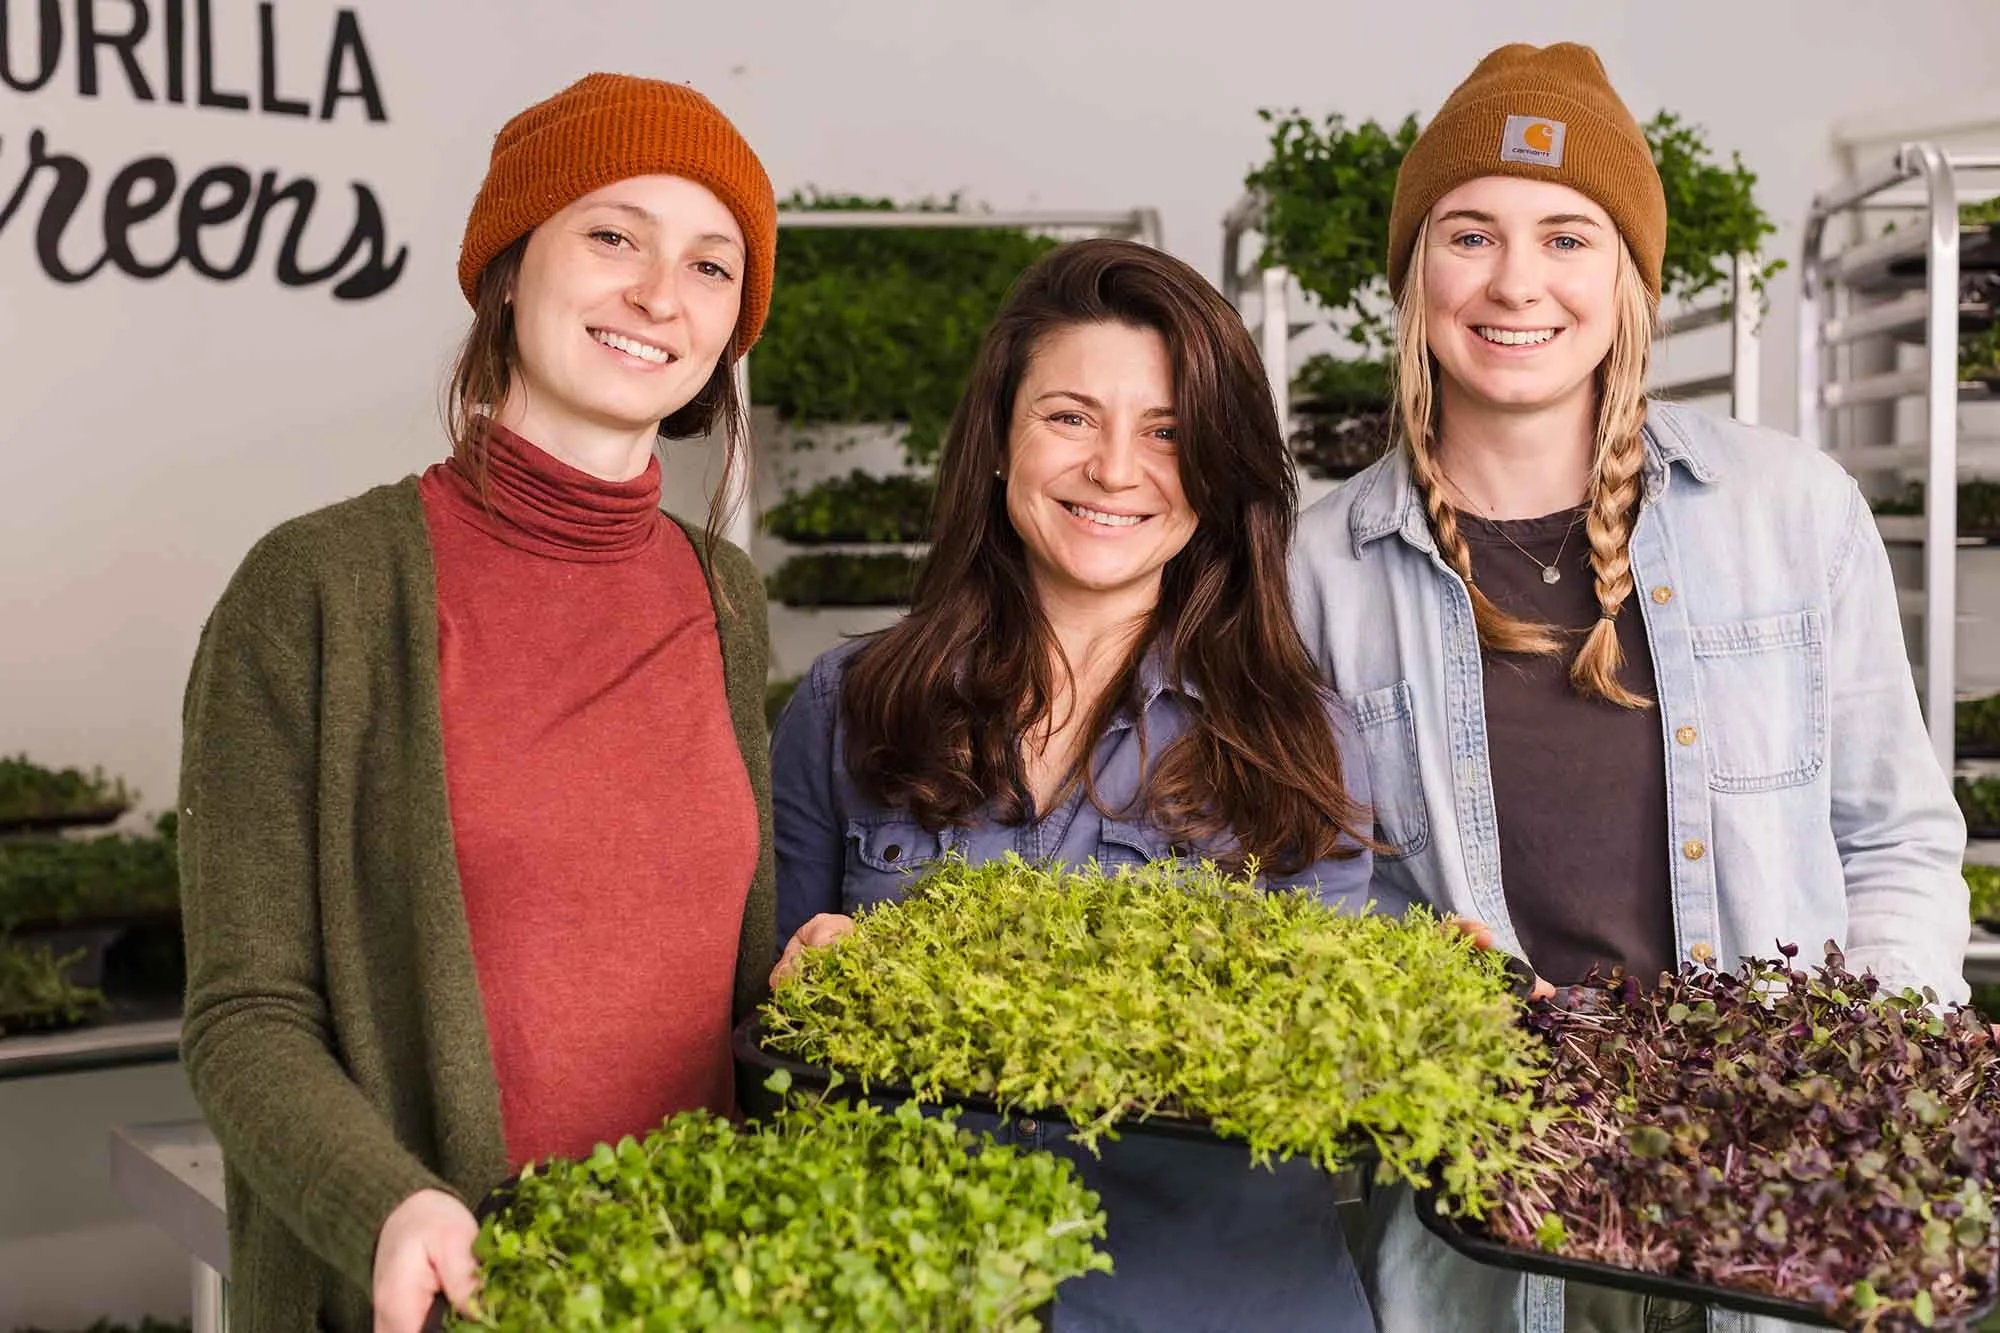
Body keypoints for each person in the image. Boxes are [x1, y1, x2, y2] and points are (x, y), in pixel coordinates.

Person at [1288, 41, 1970, 1333]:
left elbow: (1893, 842)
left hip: (1774, 1217)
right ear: (1415, 273)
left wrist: (1857, 1075)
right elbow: (1310, 894)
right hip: (1485, 1234)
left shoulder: (1788, 512)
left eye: (1566, 237)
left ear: (1627, 281)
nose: (1516, 281)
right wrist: (1415, 981)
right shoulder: (1317, 567)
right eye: (1470, 235)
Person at [175, 74, 779, 1333]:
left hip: (701, 1291)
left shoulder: (723, 595)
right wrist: (387, 1205)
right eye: (612, 235)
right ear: (509, 268)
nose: (658, 295)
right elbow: (246, 1012)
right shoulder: (318, 588)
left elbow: (689, 981)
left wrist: (809, 990)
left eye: (710, 266)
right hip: (448, 1298)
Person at [770, 237, 1385, 1332]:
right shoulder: (852, 704)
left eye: (1166, 432)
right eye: (1069, 416)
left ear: (1219, 469)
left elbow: (1313, 1086)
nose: (1113, 469)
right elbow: (763, 1047)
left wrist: (1394, 1017)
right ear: (998, 444)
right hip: (924, 1298)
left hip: (1215, 1307)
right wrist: (800, 988)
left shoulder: (1298, 743)